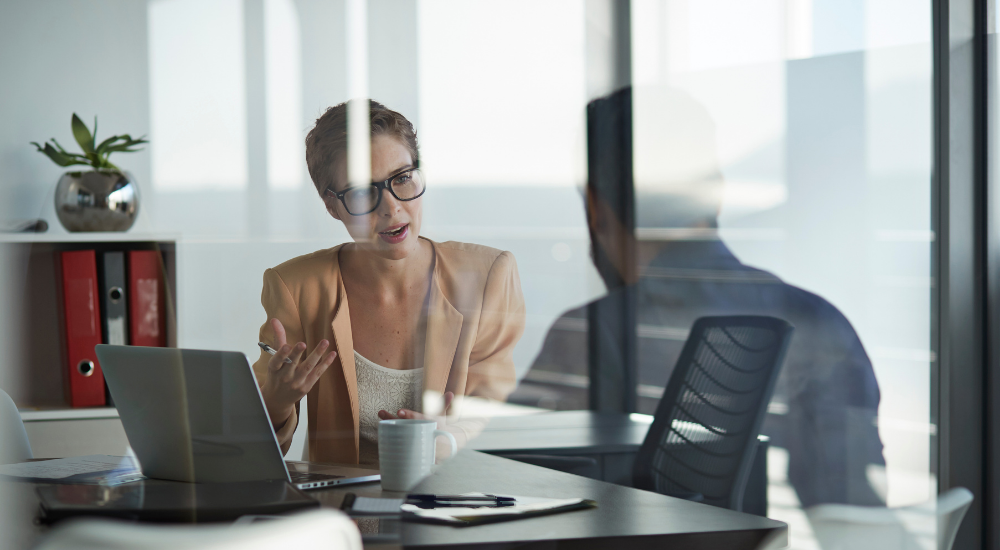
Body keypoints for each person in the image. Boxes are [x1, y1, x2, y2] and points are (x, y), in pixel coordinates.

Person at [522, 86, 886, 508]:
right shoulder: (818, 320)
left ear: (595, 209)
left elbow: (521, 498)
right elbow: (854, 516)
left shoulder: (590, 334)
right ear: (715, 191)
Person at [252, 100, 525, 466]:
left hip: (451, 508)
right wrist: (277, 400)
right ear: (332, 206)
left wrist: (444, 436)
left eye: (402, 178)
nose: (391, 208)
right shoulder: (296, 287)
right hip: (342, 513)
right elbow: (251, 446)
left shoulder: (488, 276)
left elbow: (494, 416)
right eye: (363, 192)